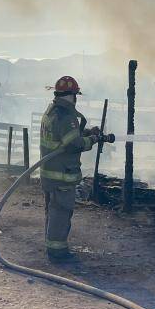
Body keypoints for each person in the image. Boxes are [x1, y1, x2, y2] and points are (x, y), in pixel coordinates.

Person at [39, 76, 100, 261]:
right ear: (72, 95)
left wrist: (84, 133)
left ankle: (52, 247)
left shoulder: (51, 111)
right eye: (76, 95)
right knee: (61, 212)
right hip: (62, 175)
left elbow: (63, 138)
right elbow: (73, 144)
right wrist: (92, 140)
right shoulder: (67, 115)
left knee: (53, 210)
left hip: (49, 174)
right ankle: (58, 252)